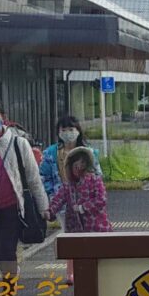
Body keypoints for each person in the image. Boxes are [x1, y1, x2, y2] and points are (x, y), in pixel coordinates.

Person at [0, 100, 50, 296]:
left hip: (13, 206)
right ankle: (11, 272)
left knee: (7, 249)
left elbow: (33, 179)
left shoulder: (19, 143)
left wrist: (44, 207)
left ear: (4, 118)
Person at [40, 116, 102, 283]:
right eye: (64, 130)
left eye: (71, 129)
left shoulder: (89, 152)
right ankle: (71, 271)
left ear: (78, 131)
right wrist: (52, 194)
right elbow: (44, 176)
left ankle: (90, 268)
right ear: (58, 132)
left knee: (89, 234)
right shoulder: (51, 153)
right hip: (63, 201)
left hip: (86, 203)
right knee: (69, 234)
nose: (68, 133)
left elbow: (98, 175)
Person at [43, 146, 111, 236]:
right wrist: (50, 212)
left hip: (97, 230)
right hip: (74, 232)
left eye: (82, 164)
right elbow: (58, 200)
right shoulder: (67, 185)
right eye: (75, 166)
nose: (79, 168)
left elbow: (101, 200)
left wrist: (82, 207)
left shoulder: (95, 180)